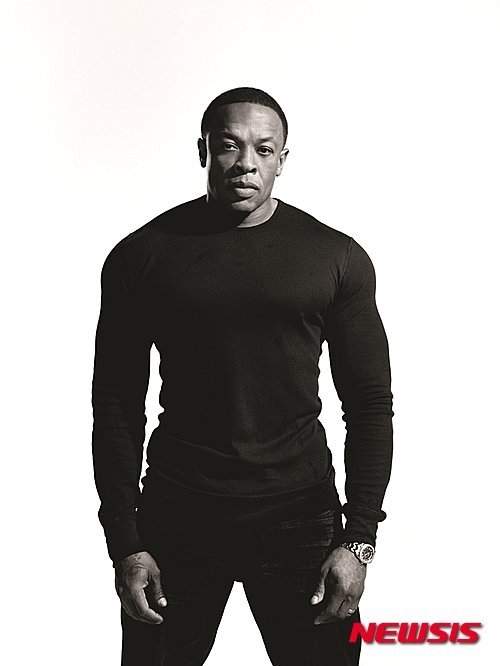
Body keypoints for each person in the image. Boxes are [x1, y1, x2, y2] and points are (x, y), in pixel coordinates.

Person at [92, 87, 393, 666]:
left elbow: (370, 405)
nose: (246, 163)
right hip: (178, 515)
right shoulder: (141, 256)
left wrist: (359, 540)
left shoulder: (335, 257)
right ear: (203, 150)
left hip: (301, 516)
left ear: (283, 158)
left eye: (264, 148)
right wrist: (125, 543)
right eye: (229, 145)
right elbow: (116, 404)